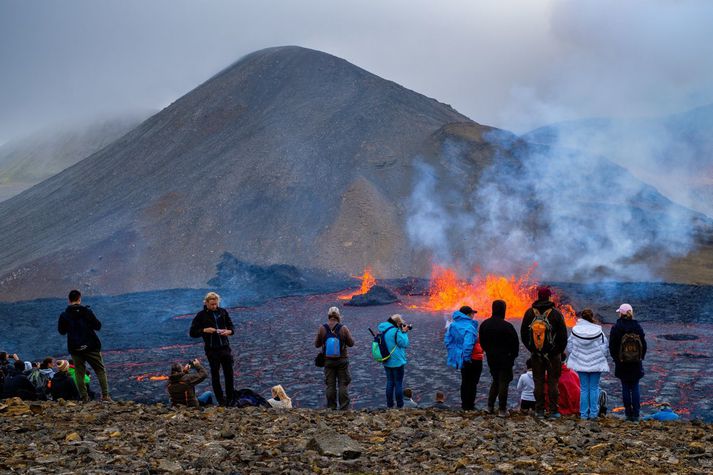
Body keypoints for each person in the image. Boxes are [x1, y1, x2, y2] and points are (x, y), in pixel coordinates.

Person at [520, 286, 568, 419]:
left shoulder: (529, 313)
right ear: (549, 297)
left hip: (536, 355)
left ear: (538, 296)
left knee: (538, 382)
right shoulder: (556, 313)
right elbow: (563, 336)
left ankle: (539, 410)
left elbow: (523, 334)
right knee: (553, 382)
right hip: (553, 356)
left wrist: (533, 350)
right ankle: (553, 411)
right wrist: (557, 351)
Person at [57, 289, 111, 402]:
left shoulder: (64, 315)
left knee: (79, 372)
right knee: (100, 370)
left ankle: (84, 397)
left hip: (75, 348)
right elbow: (98, 326)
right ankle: (105, 396)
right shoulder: (87, 312)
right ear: (79, 299)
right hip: (91, 346)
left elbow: (61, 331)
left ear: (69, 300)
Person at [189, 292, 235, 406]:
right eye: (212, 304)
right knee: (215, 375)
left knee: (229, 373)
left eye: (216, 304)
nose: (214, 306)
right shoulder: (201, 315)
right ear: (206, 303)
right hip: (212, 350)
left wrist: (229, 332)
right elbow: (192, 332)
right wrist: (204, 330)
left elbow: (231, 327)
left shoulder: (223, 312)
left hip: (225, 348)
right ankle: (221, 400)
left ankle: (231, 397)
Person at [566, 308, 609, 420]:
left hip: (580, 363)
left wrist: (577, 356)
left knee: (584, 388)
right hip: (596, 363)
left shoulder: (575, 331)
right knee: (594, 388)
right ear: (592, 317)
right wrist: (600, 357)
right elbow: (604, 347)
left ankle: (584, 414)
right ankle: (594, 414)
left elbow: (570, 346)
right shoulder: (599, 331)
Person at [479, 299, 519, 417]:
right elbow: (515, 345)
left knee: (496, 380)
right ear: (503, 310)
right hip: (505, 359)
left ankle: (490, 406)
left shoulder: (485, 324)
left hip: (491, 358)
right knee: (503, 382)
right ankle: (502, 409)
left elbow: (482, 342)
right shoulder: (507, 326)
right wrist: (512, 357)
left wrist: (489, 352)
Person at [609, 303, 646, 422]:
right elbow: (644, 345)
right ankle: (636, 414)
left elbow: (612, 347)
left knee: (625, 387)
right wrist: (641, 357)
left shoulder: (616, 328)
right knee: (635, 387)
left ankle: (628, 414)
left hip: (622, 363)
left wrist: (616, 360)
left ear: (621, 313)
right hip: (636, 362)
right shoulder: (637, 327)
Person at [314, 307, 355, 410]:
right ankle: (344, 408)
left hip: (328, 361)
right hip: (342, 360)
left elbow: (317, 344)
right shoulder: (343, 328)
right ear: (338, 316)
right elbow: (351, 343)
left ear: (329, 316)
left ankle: (331, 407)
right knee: (343, 384)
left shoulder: (322, 328)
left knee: (330, 385)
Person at [444, 305, 479, 410]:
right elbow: (468, 344)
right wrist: (467, 357)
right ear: (468, 315)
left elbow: (447, 341)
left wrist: (455, 354)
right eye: (472, 313)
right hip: (470, 359)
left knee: (464, 381)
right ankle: (470, 405)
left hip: (459, 358)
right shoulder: (469, 326)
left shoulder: (453, 325)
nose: (474, 315)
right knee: (472, 382)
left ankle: (464, 405)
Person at [378, 314, 410, 408]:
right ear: (397, 323)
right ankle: (400, 405)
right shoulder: (396, 331)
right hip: (397, 362)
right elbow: (404, 343)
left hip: (386, 360)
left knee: (390, 382)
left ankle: (390, 405)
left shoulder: (383, 329)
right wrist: (404, 332)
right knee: (398, 383)